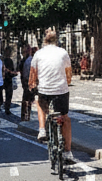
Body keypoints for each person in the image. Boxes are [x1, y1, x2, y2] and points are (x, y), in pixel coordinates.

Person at [29, 30, 74, 164]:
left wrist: (32, 86)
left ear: (44, 41)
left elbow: (32, 76)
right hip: (61, 91)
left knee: (39, 102)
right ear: (57, 41)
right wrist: (65, 83)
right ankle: (68, 152)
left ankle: (42, 129)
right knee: (65, 118)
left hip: (45, 91)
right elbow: (69, 75)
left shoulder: (38, 54)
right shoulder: (63, 53)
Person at [19, 45, 34, 122]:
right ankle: (26, 115)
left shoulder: (25, 60)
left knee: (26, 99)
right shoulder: (29, 60)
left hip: (26, 81)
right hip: (28, 82)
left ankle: (25, 115)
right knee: (28, 99)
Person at [1, 46, 17, 114]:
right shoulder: (8, 61)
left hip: (5, 80)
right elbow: (11, 70)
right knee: (8, 95)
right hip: (6, 80)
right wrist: (13, 73)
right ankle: (6, 108)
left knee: (8, 95)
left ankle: (5, 107)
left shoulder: (4, 60)